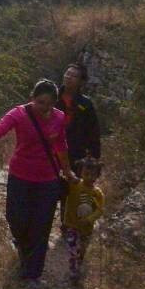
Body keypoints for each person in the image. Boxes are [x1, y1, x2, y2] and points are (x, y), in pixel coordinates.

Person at [0, 79, 78, 289]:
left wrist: (67, 172)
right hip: (20, 177)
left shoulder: (59, 118)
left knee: (42, 226)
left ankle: (32, 274)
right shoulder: (19, 114)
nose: (44, 108)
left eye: (49, 104)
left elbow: (61, 146)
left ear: (55, 103)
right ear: (32, 98)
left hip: (47, 180)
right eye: (40, 102)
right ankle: (23, 246)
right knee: (16, 218)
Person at [57, 63, 101, 231]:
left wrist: (94, 158)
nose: (68, 77)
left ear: (81, 82)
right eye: (67, 73)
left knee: (70, 190)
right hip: (50, 151)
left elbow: (93, 132)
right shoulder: (54, 96)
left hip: (75, 153)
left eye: (73, 75)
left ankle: (66, 223)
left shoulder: (86, 104)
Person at [62, 156, 105, 285]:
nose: (89, 177)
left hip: (87, 228)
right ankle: (73, 272)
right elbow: (64, 178)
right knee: (73, 248)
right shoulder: (74, 185)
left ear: (98, 176)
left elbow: (100, 210)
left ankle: (78, 265)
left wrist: (89, 219)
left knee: (82, 250)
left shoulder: (97, 193)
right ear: (81, 172)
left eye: (93, 175)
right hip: (72, 225)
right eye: (86, 174)